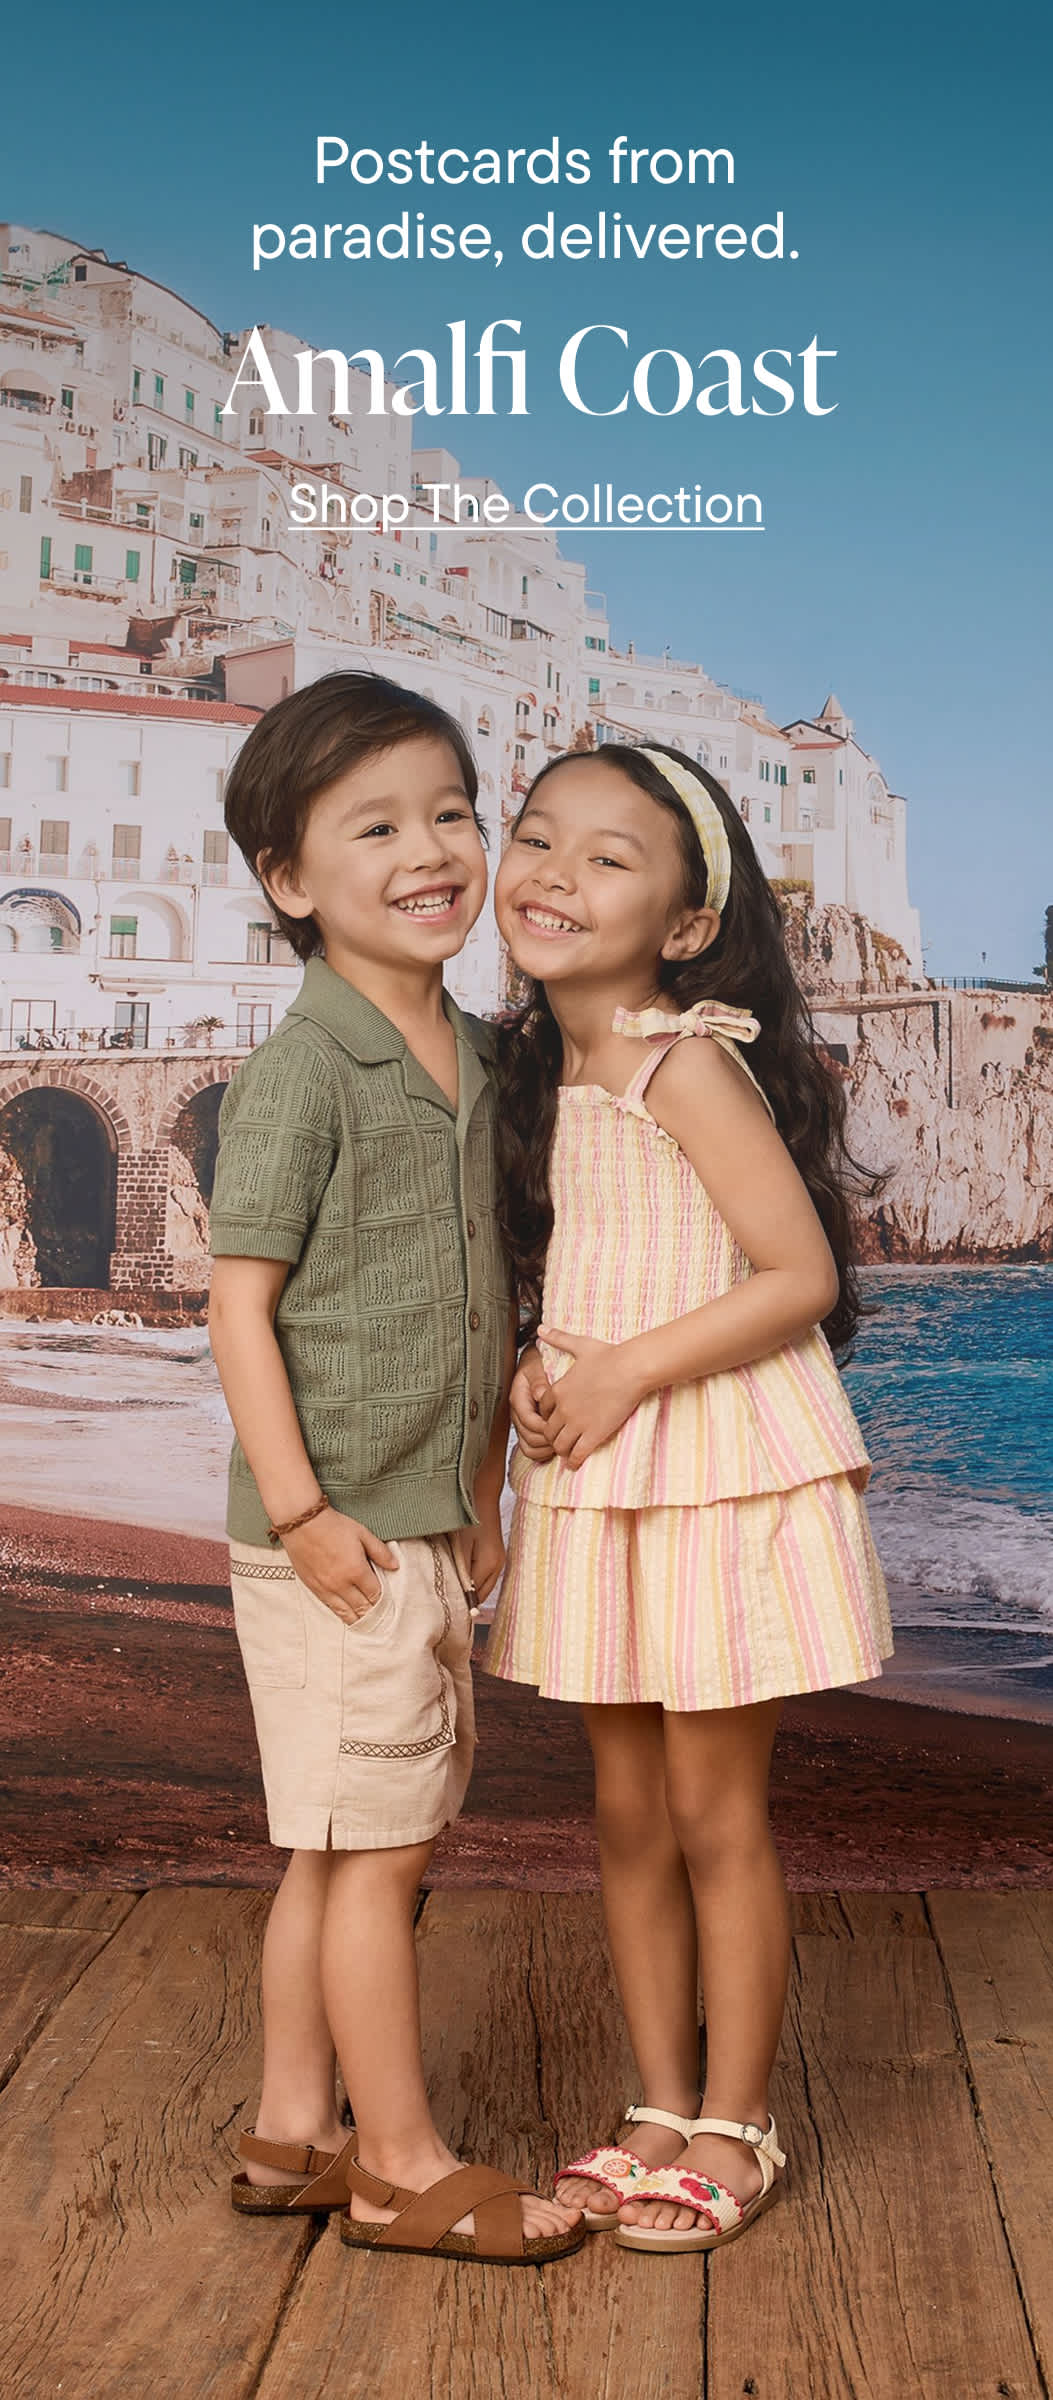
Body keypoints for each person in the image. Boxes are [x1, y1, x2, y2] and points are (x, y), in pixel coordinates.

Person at [485, 740, 892, 2255]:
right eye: (538, 838)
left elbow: (796, 1278)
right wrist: (545, 1359)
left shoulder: (684, 1059)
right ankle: (654, 2104)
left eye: (609, 858)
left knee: (716, 1811)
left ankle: (736, 2120)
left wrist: (624, 1371)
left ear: (682, 922)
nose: (553, 874)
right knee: (624, 1811)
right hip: (604, 1465)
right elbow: (588, 1266)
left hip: (710, 1460)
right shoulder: (547, 1071)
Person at [208, 671, 582, 2267]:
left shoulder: (481, 1058)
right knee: (379, 1853)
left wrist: (489, 1491)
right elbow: (240, 1305)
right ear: (291, 884)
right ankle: (399, 2164)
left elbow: (476, 1296)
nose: (431, 850)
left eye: (451, 813)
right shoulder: (305, 1073)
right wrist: (302, 1514)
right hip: (338, 1532)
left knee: (339, 1835)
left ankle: (291, 2131)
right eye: (375, 826)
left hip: (423, 1516)